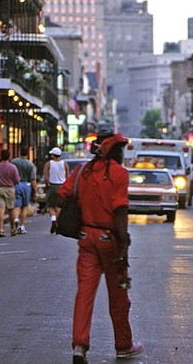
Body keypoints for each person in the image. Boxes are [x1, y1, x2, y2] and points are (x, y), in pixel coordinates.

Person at [57, 132, 142, 363]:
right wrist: (123, 245)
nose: (123, 153)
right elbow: (120, 210)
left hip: (86, 238)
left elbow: (60, 196)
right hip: (109, 240)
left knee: (84, 294)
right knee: (119, 296)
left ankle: (79, 346)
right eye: (121, 149)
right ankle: (124, 345)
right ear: (114, 150)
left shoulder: (81, 172)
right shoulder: (119, 173)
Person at [0, 149, 20, 237]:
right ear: (9, 156)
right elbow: (17, 180)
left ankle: (1, 229)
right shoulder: (13, 167)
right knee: (11, 209)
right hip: (9, 188)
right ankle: (12, 229)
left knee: (1, 209)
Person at [11, 146, 38, 234]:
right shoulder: (30, 164)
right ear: (27, 154)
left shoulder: (14, 162)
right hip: (26, 185)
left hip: (16, 184)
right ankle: (22, 227)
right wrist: (35, 191)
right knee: (24, 206)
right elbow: (33, 179)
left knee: (16, 205)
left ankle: (15, 219)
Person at [44, 146, 70, 233]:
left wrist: (47, 185)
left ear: (53, 155)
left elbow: (46, 177)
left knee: (50, 206)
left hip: (52, 185)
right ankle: (58, 222)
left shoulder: (49, 164)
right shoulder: (64, 164)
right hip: (62, 186)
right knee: (59, 206)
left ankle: (53, 220)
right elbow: (67, 176)